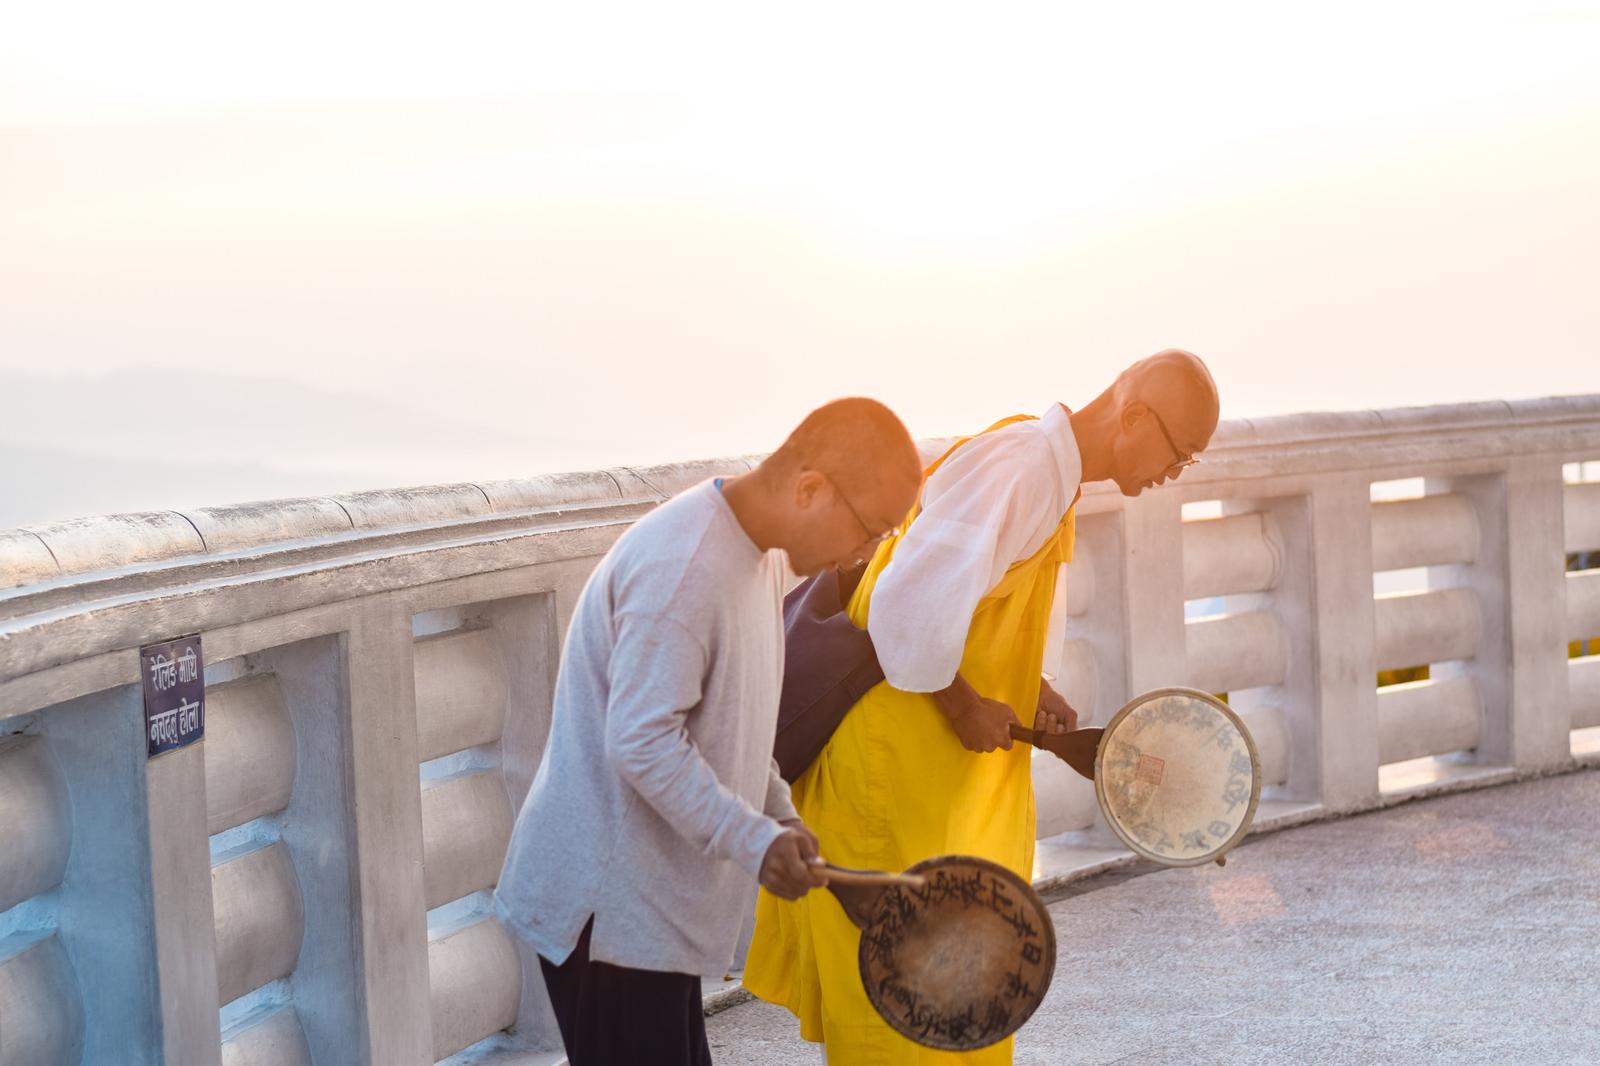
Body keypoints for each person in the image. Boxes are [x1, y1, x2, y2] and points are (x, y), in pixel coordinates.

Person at [744, 349, 1221, 1064]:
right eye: (1180, 453)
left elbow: (963, 607)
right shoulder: (1024, 467)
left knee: (954, 1009)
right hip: (893, 778)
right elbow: (903, 606)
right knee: (902, 1025)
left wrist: (1030, 686)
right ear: (1135, 416)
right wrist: (965, 705)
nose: (1175, 473)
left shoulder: (1049, 475)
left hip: (936, 788)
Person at [494, 397, 924, 1066]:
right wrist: (752, 840)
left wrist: (779, 817)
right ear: (810, 489)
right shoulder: (687, 570)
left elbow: (730, 726)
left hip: (647, 918)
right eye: (870, 530)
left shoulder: (756, 555)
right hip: (608, 915)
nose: (863, 554)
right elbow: (641, 740)